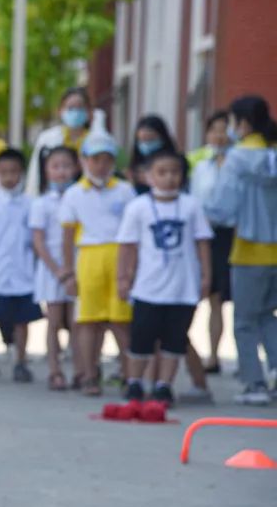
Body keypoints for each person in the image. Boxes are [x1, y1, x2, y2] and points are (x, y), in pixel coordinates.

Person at [116, 147, 213, 406]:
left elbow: (202, 243)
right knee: (141, 340)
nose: (169, 177)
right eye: (162, 172)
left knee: (174, 340)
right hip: (148, 286)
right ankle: (135, 383)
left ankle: (163, 386)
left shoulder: (191, 206)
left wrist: (206, 276)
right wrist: (122, 278)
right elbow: (127, 246)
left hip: (183, 287)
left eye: (175, 172)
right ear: (148, 176)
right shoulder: (138, 207)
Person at [205, 94, 277, 406]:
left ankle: (254, 383)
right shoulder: (272, 154)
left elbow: (222, 206)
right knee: (267, 316)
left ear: (243, 123)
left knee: (245, 321)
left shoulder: (237, 158)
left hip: (249, 250)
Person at [60, 112, 136, 396]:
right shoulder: (74, 194)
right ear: (84, 161)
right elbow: (68, 236)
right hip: (89, 256)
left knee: (120, 320)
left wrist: (131, 269)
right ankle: (89, 374)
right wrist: (68, 271)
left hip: (118, 255)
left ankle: (131, 376)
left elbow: (133, 235)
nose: (100, 165)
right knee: (88, 320)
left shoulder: (125, 192)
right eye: (95, 159)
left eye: (106, 159)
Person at [0, 148, 42, 382]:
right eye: (4, 172)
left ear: (21, 173)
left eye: (14, 172)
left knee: (22, 321)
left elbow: (36, 241)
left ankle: (20, 361)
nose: (9, 177)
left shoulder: (31, 205)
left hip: (23, 272)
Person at [29, 145, 80, 390]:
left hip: (78, 266)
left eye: (66, 166)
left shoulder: (80, 196)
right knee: (54, 320)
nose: (61, 172)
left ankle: (82, 369)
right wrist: (57, 269)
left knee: (77, 321)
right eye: (55, 166)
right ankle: (54, 369)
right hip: (52, 270)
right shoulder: (41, 204)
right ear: (47, 171)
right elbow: (38, 241)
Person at [189, 111, 233, 375]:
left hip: (224, 235)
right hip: (197, 234)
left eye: (224, 129)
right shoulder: (198, 163)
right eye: (214, 129)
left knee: (217, 297)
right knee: (191, 295)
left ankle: (213, 355)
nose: (219, 135)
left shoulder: (237, 164)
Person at [25, 87, 90, 196]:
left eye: (79, 108)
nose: (75, 112)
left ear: (88, 111)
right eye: (70, 108)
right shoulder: (47, 138)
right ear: (60, 111)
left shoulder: (95, 140)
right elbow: (35, 174)